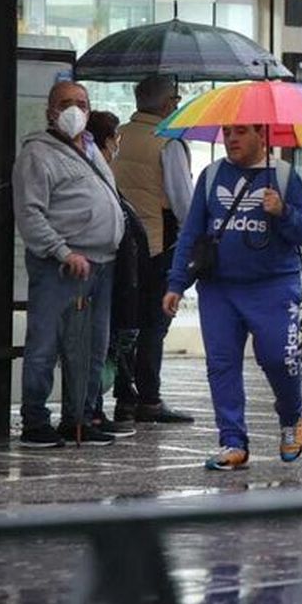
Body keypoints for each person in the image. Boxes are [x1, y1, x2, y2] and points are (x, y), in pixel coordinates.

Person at [164, 124, 302, 471]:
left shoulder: (284, 176)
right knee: (222, 365)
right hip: (219, 289)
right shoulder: (211, 176)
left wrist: (283, 212)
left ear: (262, 136)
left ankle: (292, 416)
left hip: (273, 286)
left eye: (241, 132)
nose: (231, 139)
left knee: (279, 358)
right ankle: (232, 441)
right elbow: (191, 234)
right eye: (227, 132)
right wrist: (176, 283)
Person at [13, 80, 126, 447]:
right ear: (51, 110)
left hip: (102, 264)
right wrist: (63, 252)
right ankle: (35, 420)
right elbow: (30, 214)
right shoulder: (37, 153)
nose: (74, 110)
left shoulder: (92, 149)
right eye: (65, 103)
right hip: (61, 265)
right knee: (45, 343)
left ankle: (80, 417)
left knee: (93, 346)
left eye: (81, 103)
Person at [113, 76, 195, 424]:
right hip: (158, 243)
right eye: (175, 98)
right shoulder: (168, 142)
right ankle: (149, 398)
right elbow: (183, 202)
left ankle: (124, 396)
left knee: (125, 321)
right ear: (165, 104)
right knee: (153, 324)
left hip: (120, 242)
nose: (177, 104)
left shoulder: (119, 135)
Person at [86, 110, 146, 438]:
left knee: (107, 343)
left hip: (118, 274)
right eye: (116, 139)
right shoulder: (95, 172)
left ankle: (95, 408)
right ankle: (90, 410)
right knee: (100, 344)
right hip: (104, 272)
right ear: (108, 141)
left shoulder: (105, 174)